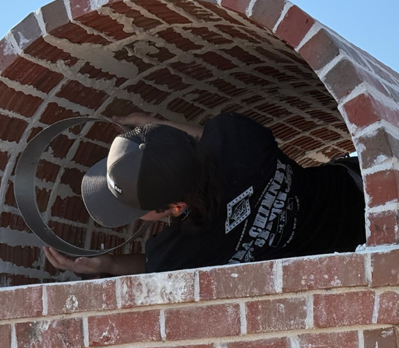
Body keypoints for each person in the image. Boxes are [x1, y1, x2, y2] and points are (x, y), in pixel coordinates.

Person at [43, 111, 365, 277]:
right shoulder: (238, 138)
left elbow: (151, 264)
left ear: (175, 206)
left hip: (358, 243)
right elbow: (205, 136)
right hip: (359, 185)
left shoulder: (187, 247)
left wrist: (108, 265)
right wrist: (156, 125)